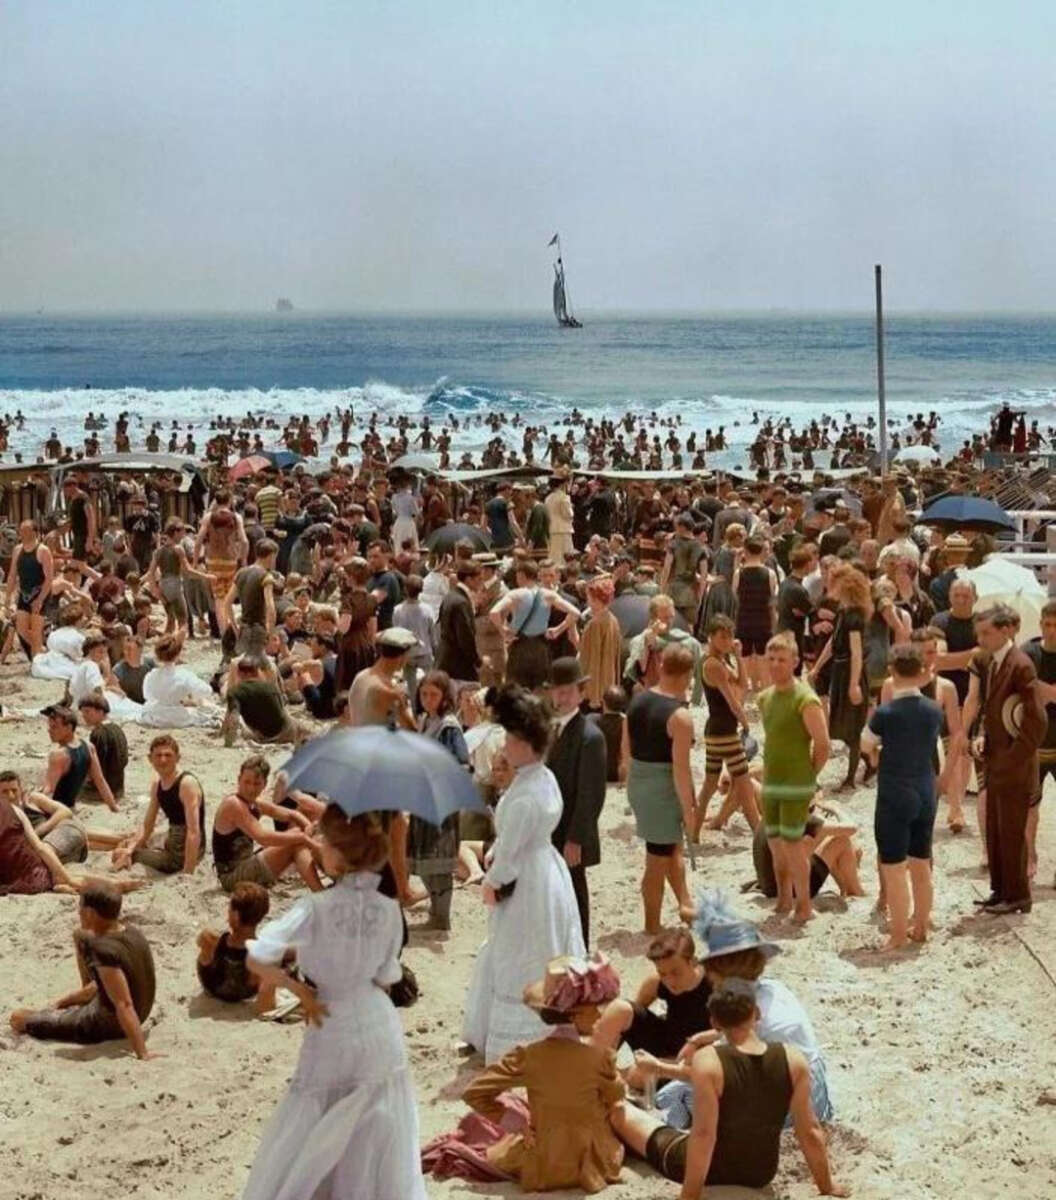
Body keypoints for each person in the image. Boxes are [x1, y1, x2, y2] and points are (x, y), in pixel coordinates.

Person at [241, 808, 427, 1200]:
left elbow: (257, 957)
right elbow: (388, 974)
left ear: (339, 855)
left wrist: (300, 990)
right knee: (377, 1125)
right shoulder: (388, 908)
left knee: (317, 1114)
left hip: (332, 1018)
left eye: (324, 841)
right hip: (377, 1019)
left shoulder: (316, 907)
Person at [610, 979, 847, 1199]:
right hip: (761, 1172)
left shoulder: (709, 1061)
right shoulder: (793, 1060)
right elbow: (809, 1130)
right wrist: (827, 1186)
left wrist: (689, 1196)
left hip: (714, 1169)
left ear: (713, 1022)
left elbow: (704, 1136)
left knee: (625, 1113)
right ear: (757, 1014)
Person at [463, 684, 585, 1064]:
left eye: (512, 739)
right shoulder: (542, 778)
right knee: (545, 944)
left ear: (528, 743)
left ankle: (526, 1037)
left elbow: (512, 852)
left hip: (528, 880)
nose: (506, 746)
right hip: (547, 871)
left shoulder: (526, 793)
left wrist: (492, 882)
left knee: (519, 952)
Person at [458, 954, 625, 1194]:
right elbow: (616, 1096)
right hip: (593, 1162)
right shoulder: (599, 1059)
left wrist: (516, 1122)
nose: (600, 1016)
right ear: (574, 1015)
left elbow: (474, 1093)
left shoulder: (528, 1056)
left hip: (543, 1162)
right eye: (593, 1010)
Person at [9, 882, 158, 1058]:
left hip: (110, 1023)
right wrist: (63, 1002)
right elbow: (105, 984)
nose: (78, 912)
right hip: (140, 1012)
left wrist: (142, 1052)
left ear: (90, 913)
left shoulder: (103, 949)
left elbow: (123, 1004)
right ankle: (81, 1007)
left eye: (80, 907)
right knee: (80, 936)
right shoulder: (133, 933)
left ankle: (73, 1015)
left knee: (18, 1018)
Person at [861, 644, 943, 950]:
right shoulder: (934, 710)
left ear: (892, 672)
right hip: (925, 789)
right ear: (922, 671)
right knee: (922, 865)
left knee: (894, 869)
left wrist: (877, 757)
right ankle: (920, 927)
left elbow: (866, 745)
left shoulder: (885, 712)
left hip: (894, 792)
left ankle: (897, 935)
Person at [973, 605, 1046, 914]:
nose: (982, 639)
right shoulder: (993, 662)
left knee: (1013, 831)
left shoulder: (1021, 665)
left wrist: (1014, 758)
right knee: (996, 828)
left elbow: (1036, 721)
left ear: (1005, 631)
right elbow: (994, 711)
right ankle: (1001, 891)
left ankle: (1018, 895)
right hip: (996, 760)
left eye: (987, 633)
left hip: (1013, 767)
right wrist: (983, 737)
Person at [622, 643, 697, 934]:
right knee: (657, 860)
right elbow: (680, 769)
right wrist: (689, 809)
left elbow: (625, 749)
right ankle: (651, 925)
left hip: (640, 782)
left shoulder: (638, 700)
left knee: (669, 849)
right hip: (661, 789)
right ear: (688, 675)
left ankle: (685, 905)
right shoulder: (680, 717)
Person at [757, 633, 830, 923]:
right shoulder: (764, 698)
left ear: (795, 661)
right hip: (771, 781)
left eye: (782, 660)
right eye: (771, 659)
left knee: (793, 845)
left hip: (796, 784)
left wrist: (809, 775)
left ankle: (804, 904)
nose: (775, 665)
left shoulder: (805, 698)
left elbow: (822, 744)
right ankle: (784, 897)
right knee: (774, 842)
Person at [591, 928, 712, 1088]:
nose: (669, 980)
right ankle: (591, 1069)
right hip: (666, 1039)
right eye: (662, 973)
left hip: (695, 1057)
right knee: (619, 1008)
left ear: (693, 962)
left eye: (675, 972)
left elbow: (730, 1034)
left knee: (639, 1076)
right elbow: (634, 1014)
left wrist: (697, 1042)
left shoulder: (714, 985)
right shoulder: (657, 982)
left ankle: (609, 1081)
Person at [546, 657, 608, 946]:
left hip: (570, 831)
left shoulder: (590, 736)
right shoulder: (549, 728)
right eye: (558, 690)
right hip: (548, 828)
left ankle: (579, 950)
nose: (562, 696)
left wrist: (576, 838)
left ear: (581, 693)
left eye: (568, 690)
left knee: (574, 892)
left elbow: (591, 794)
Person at [407, 669, 469, 930]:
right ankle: (435, 910)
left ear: (444, 697)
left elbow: (462, 763)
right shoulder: (425, 721)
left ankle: (442, 916)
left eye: (433, 694)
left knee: (440, 861)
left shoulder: (449, 727)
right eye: (424, 694)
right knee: (424, 859)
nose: (428, 699)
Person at [211, 755, 322, 893]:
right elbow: (262, 837)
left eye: (256, 783)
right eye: (247, 782)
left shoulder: (255, 804)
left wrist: (307, 828)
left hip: (248, 864)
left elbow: (291, 814)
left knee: (299, 828)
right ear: (239, 780)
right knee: (294, 842)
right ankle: (320, 892)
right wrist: (304, 838)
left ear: (264, 784)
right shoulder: (234, 804)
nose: (251, 788)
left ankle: (317, 883)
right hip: (233, 877)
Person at [695, 616, 756, 832]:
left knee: (711, 786)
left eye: (729, 636)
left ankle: (693, 833)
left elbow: (743, 685)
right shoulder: (713, 664)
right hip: (724, 733)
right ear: (710, 637)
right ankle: (758, 832)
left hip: (718, 731)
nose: (727, 641)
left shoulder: (717, 661)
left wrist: (738, 656)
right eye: (722, 637)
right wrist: (746, 724)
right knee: (744, 787)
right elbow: (733, 701)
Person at [113, 735, 206, 875]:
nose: (163, 760)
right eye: (158, 755)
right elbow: (148, 824)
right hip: (171, 837)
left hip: (180, 854)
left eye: (168, 755)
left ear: (178, 758)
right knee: (127, 844)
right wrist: (130, 849)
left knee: (117, 853)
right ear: (150, 759)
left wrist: (188, 870)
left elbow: (194, 831)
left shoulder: (186, 784)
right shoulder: (158, 784)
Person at [813, 564, 870, 789]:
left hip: (849, 672)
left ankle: (852, 776)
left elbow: (856, 652)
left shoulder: (854, 614)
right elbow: (832, 643)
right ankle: (868, 761)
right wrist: (817, 667)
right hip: (839, 670)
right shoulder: (844, 611)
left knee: (852, 729)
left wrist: (854, 684)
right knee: (839, 726)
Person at [490, 559, 582, 692]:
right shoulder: (548, 595)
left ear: (521, 576)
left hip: (519, 647)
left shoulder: (515, 595)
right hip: (541, 649)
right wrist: (558, 629)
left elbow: (494, 613)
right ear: (536, 575)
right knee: (540, 691)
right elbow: (575, 612)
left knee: (517, 691)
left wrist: (503, 630)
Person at [196, 882, 276, 1009]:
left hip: (212, 986)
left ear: (235, 916)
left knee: (205, 938)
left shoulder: (215, 940)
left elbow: (199, 942)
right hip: (244, 993)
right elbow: (268, 1004)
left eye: (229, 909)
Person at [1022, 599, 1056, 880]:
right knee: (1029, 808)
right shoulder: (1029, 653)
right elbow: (1019, 689)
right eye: (1047, 624)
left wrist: (1039, 689)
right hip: (1034, 745)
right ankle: (1029, 856)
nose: (1052, 631)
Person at [40, 703, 118, 812]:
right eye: (49, 726)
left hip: (56, 812)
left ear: (69, 728)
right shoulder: (88, 747)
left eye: (54, 727)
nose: (49, 730)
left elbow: (48, 790)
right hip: (71, 808)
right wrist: (113, 807)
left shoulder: (59, 755)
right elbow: (100, 780)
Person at [140, 632, 221, 728]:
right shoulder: (184, 675)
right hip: (178, 716)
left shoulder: (151, 675)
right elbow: (206, 691)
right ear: (177, 654)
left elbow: (147, 696)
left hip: (156, 715)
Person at [733, 534, 777, 692]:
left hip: (743, 620)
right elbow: (773, 602)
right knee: (764, 664)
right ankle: (766, 702)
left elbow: (734, 598)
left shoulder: (739, 573)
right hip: (763, 622)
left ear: (745, 551)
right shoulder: (770, 574)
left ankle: (741, 701)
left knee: (743, 663)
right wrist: (775, 624)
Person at [4, 518, 53, 658]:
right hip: (24, 594)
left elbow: (49, 578)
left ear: (34, 532)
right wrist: (8, 596)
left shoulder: (43, 551)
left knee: (37, 632)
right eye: (21, 530)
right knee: (21, 629)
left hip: (39, 594)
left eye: (26, 530)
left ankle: (37, 661)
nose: (22, 533)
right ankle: (42, 652)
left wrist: (41, 599)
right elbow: (12, 574)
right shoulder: (17, 550)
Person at [578, 575, 623, 711]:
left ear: (596, 599)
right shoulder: (612, 619)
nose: (587, 601)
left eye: (589, 597)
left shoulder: (595, 624)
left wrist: (592, 694)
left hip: (594, 687)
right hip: (607, 682)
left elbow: (592, 659)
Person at [76, 692, 129, 804]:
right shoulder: (117, 729)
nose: (84, 716)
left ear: (100, 711)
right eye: (83, 712)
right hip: (118, 788)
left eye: (87, 712)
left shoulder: (99, 734)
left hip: (102, 791)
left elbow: (96, 768)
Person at [436, 561, 483, 683]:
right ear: (468, 579)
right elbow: (465, 637)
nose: (481, 582)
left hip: (446, 661)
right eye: (479, 579)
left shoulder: (450, 596)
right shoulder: (460, 602)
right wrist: (478, 661)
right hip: (457, 667)